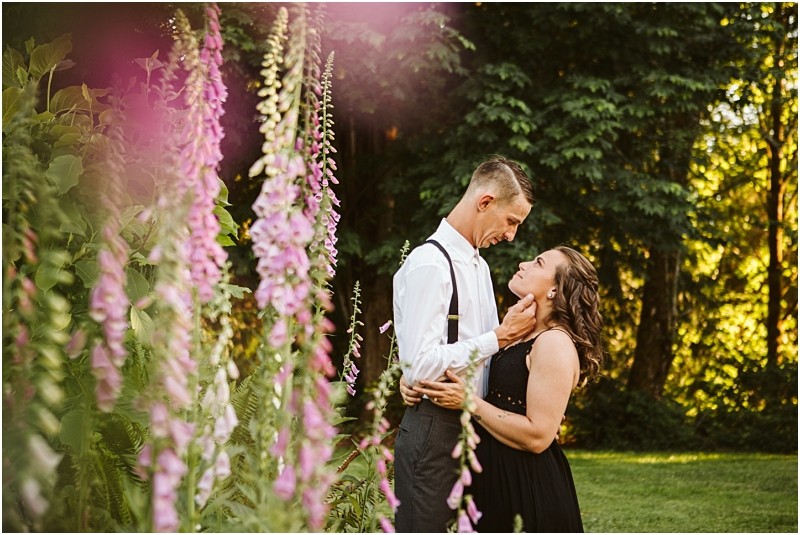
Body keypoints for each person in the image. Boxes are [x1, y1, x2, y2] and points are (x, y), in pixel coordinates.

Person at [405, 246, 604, 532]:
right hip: (495, 477)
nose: (523, 264)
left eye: (538, 263)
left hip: (526, 484)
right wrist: (415, 379)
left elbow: (538, 436)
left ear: (554, 290)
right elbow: (465, 365)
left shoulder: (554, 343)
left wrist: (468, 402)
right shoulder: (518, 333)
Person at [392, 156, 538, 532]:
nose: (511, 236)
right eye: (511, 222)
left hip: (475, 429)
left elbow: (481, 356)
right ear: (485, 202)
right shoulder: (431, 265)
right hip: (435, 434)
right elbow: (421, 363)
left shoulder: (479, 266)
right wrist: (499, 335)